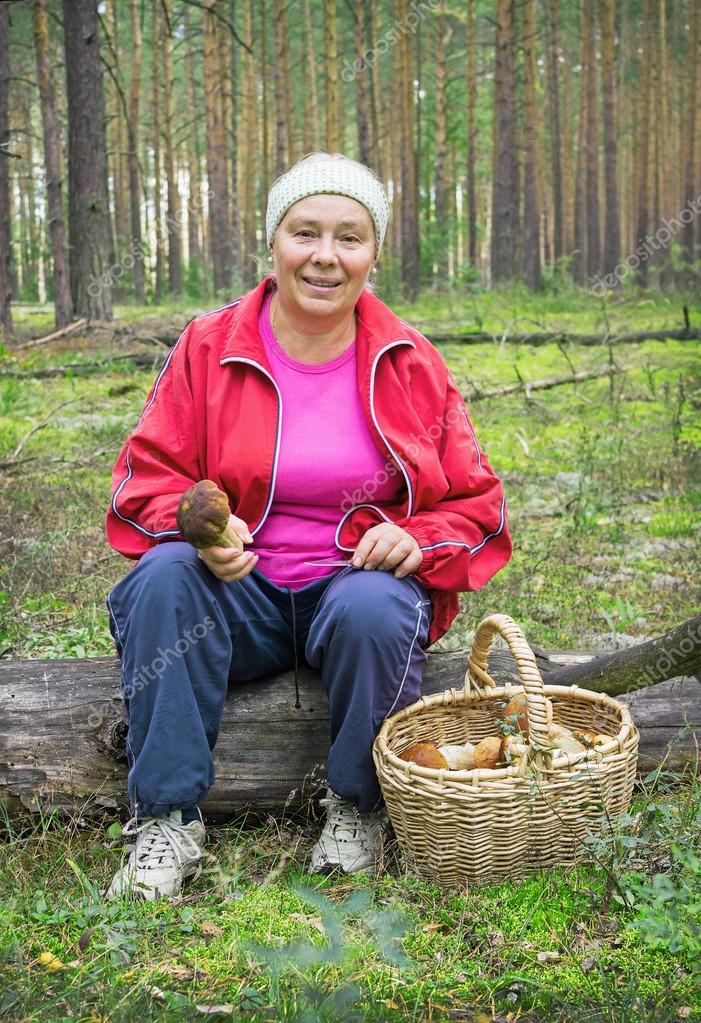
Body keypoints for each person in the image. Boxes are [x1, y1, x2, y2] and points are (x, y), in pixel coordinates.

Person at [103, 152, 511, 900]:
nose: (325, 256)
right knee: (161, 575)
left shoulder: (412, 362)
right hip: (236, 602)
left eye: (348, 237)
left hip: (347, 598)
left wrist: (419, 537)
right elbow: (140, 481)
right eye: (305, 232)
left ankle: (357, 809)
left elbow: (480, 505)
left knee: (377, 601)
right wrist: (198, 530)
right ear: (273, 242)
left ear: (373, 254)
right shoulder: (208, 345)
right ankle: (165, 817)